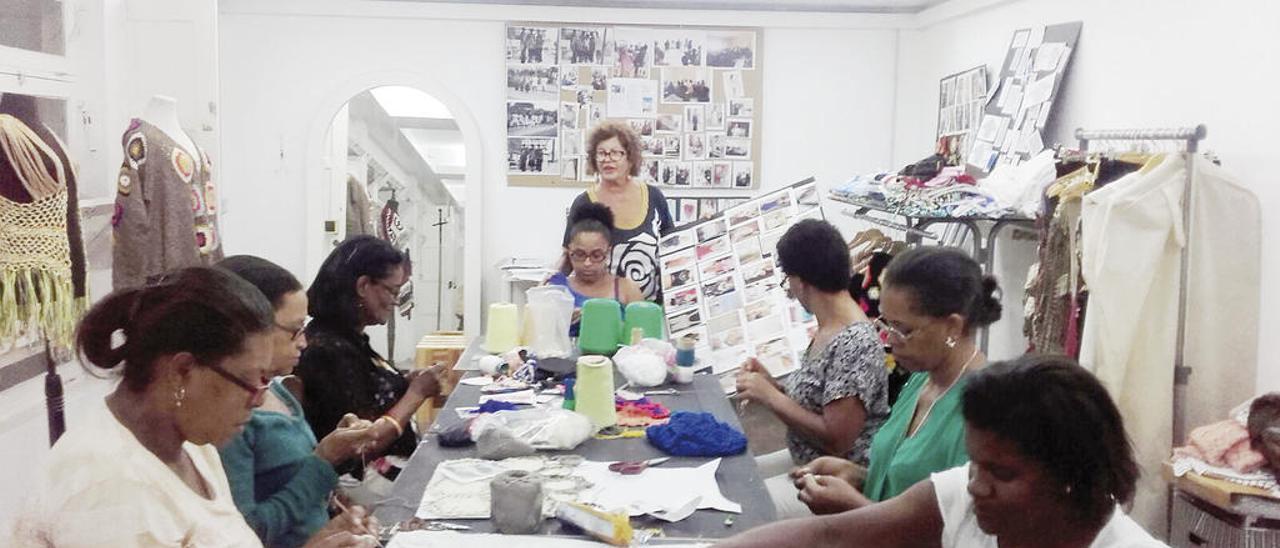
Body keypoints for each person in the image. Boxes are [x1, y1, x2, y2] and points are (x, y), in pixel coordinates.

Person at [12, 267, 376, 547]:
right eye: (251, 381)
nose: (259, 398)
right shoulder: (105, 486)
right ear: (182, 371)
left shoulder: (191, 445)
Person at [716, 354, 1166, 548]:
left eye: (1003, 474)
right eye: (975, 463)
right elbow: (830, 536)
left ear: (1070, 476)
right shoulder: (965, 499)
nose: (976, 484)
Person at [792, 246, 1002, 514]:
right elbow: (904, 486)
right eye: (886, 324)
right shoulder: (921, 379)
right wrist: (857, 476)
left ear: (953, 327)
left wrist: (856, 506)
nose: (889, 340)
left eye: (902, 329)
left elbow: (956, 533)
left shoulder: (984, 414)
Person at [217, 256, 384, 547]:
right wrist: (323, 462)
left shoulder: (278, 392)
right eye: (294, 331)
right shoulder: (231, 420)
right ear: (250, 329)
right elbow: (249, 532)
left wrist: (338, 519)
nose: (304, 342)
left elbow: (297, 490)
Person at [735, 219, 890, 519]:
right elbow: (815, 404)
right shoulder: (828, 327)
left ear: (801, 281)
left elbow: (837, 440)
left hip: (834, 480)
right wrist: (772, 385)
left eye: (788, 280)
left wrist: (770, 396)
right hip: (804, 458)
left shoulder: (853, 340)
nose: (790, 290)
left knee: (743, 508)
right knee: (734, 474)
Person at [294, 236, 442, 503]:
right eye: (393, 292)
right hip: (356, 482)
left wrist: (401, 382)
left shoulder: (349, 339)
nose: (395, 302)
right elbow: (362, 443)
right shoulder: (328, 350)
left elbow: (366, 390)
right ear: (363, 286)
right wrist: (415, 395)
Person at [564, 121, 675, 303]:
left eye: (615, 153)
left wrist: (704, 227)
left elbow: (672, 247)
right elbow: (569, 255)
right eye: (601, 153)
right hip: (603, 309)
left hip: (650, 309)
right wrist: (549, 283)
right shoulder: (583, 203)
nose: (607, 159)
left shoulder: (654, 197)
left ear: (630, 158)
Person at [547, 202, 643, 335]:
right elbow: (538, 332)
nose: (587, 263)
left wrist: (603, 320)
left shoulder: (626, 288)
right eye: (579, 255)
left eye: (596, 255)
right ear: (570, 252)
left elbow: (642, 338)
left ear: (608, 252)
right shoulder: (557, 287)